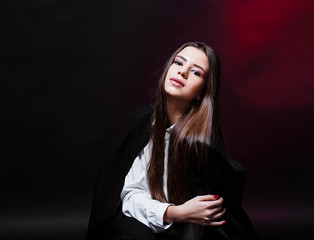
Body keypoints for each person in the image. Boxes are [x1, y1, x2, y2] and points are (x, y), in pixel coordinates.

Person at [86, 42, 259, 240]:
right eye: (178, 63)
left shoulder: (203, 146)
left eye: (196, 72)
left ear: (201, 92)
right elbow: (131, 196)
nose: (182, 72)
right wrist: (177, 212)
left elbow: (219, 216)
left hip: (187, 231)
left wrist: (188, 216)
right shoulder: (141, 124)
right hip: (145, 222)